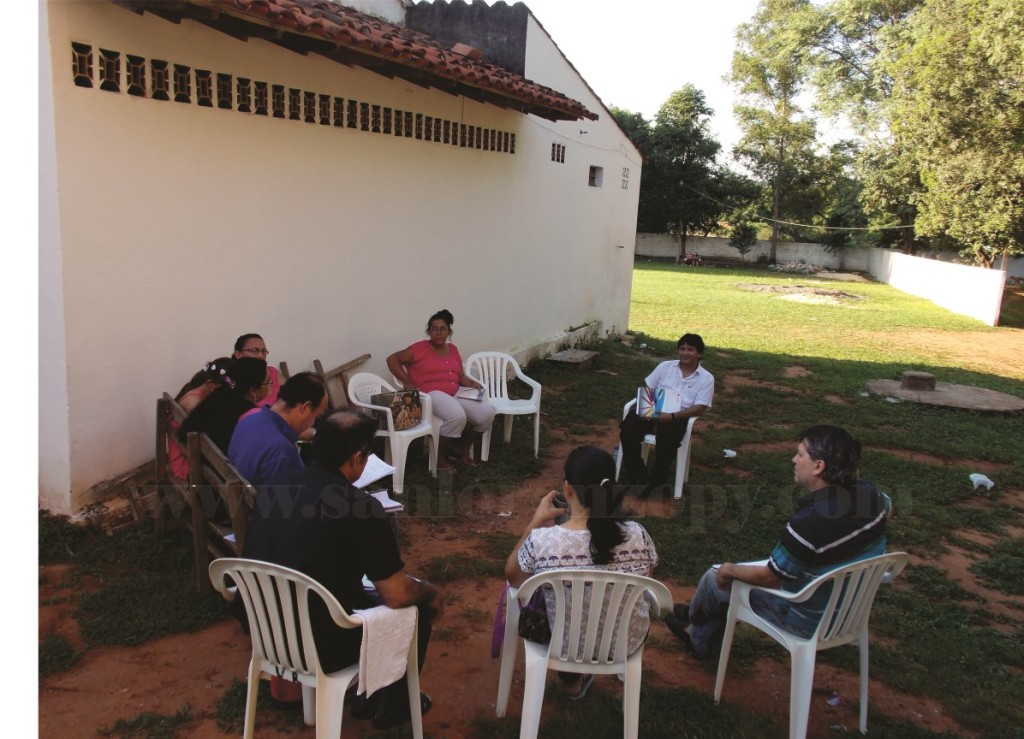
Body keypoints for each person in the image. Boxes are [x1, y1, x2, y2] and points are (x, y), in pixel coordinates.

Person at [243, 410, 444, 730]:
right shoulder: (362, 508)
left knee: (359, 592)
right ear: (357, 458)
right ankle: (392, 704)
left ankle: (367, 695)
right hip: (323, 641)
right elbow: (395, 594)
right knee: (416, 609)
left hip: (265, 626)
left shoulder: (276, 484)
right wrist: (431, 593)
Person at [665, 424, 892, 659]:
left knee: (714, 578)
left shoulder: (810, 522)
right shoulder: (872, 495)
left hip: (805, 618)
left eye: (800, 454)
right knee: (722, 582)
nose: (794, 459)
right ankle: (696, 615)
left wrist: (729, 569)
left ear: (818, 466)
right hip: (849, 609)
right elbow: (887, 509)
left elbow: (771, 577)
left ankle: (696, 634)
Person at [504, 446, 658, 700]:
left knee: (547, 598)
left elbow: (512, 576)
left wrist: (535, 521)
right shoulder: (638, 535)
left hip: (564, 646)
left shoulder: (543, 542)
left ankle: (571, 682)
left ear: (567, 489)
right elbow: (646, 576)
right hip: (625, 643)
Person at [386, 309, 495, 472]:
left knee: (486, 413)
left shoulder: (453, 349)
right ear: (429, 332)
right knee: (457, 416)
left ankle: (461, 449)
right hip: (430, 394)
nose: (438, 333)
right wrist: (407, 380)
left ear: (449, 331)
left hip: (456, 392)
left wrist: (471, 383)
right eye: (434, 329)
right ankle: (439, 457)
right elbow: (392, 359)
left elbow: (460, 375)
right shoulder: (419, 348)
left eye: (442, 329)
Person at [618, 333, 714, 497]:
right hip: (654, 408)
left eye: (690, 349)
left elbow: (700, 408)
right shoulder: (665, 367)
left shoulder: (706, 378)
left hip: (678, 415)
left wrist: (672, 417)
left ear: (700, 354)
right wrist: (645, 409)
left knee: (668, 439)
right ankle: (637, 474)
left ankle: (656, 479)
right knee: (628, 429)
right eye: (682, 348)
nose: (685, 353)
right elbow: (648, 387)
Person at [228, 371, 328, 485]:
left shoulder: (249, 419)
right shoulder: (282, 453)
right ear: (305, 408)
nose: (312, 424)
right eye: (317, 416)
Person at [178, 357, 270, 454]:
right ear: (253, 391)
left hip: (207, 461)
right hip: (217, 466)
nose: (270, 386)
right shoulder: (250, 415)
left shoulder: (219, 395)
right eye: (267, 382)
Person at [167, 357, 232, 478]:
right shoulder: (194, 403)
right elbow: (209, 441)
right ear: (211, 384)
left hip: (191, 451)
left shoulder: (200, 391)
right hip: (186, 463)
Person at [233, 332, 281, 407]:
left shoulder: (272, 371)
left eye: (264, 351)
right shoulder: (232, 378)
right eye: (254, 350)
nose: (261, 356)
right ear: (238, 354)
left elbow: (292, 395)